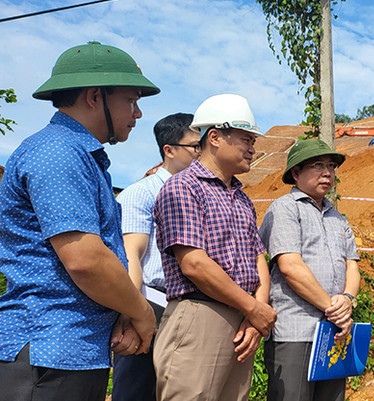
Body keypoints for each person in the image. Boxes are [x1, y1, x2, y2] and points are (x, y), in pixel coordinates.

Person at [0, 41, 158, 401]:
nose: (137, 114)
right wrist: (141, 313)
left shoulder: (80, 156)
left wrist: (123, 311)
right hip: (47, 350)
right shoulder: (59, 153)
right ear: (94, 96)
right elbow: (86, 260)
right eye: (131, 100)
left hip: (69, 351)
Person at [153, 93, 276, 401]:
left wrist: (256, 313)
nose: (252, 148)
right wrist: (254, 309)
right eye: (246, 139)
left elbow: (258, 258)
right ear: (215, 137)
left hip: (242, 319)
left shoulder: (241, 198)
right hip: (200, 315)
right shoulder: (183, 187)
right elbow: (194, 264)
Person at [259, 139, 361, 401]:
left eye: (331, 166)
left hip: (334, 332)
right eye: (318, 165)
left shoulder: (337, 217)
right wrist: (334, 309)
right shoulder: (285, 208)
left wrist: (347, 298)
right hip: (296, 330)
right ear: (296, 173)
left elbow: (352, 264)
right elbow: (290, 267)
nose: (327, 173)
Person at [111, 113, 200, 401]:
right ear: (169, 150)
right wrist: (131, 313)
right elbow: (131, 256)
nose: (201, 153)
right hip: (152, 303)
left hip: (192, 307)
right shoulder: (142, 193)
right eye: (195, 146)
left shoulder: (201, 194)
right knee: (138, 389)